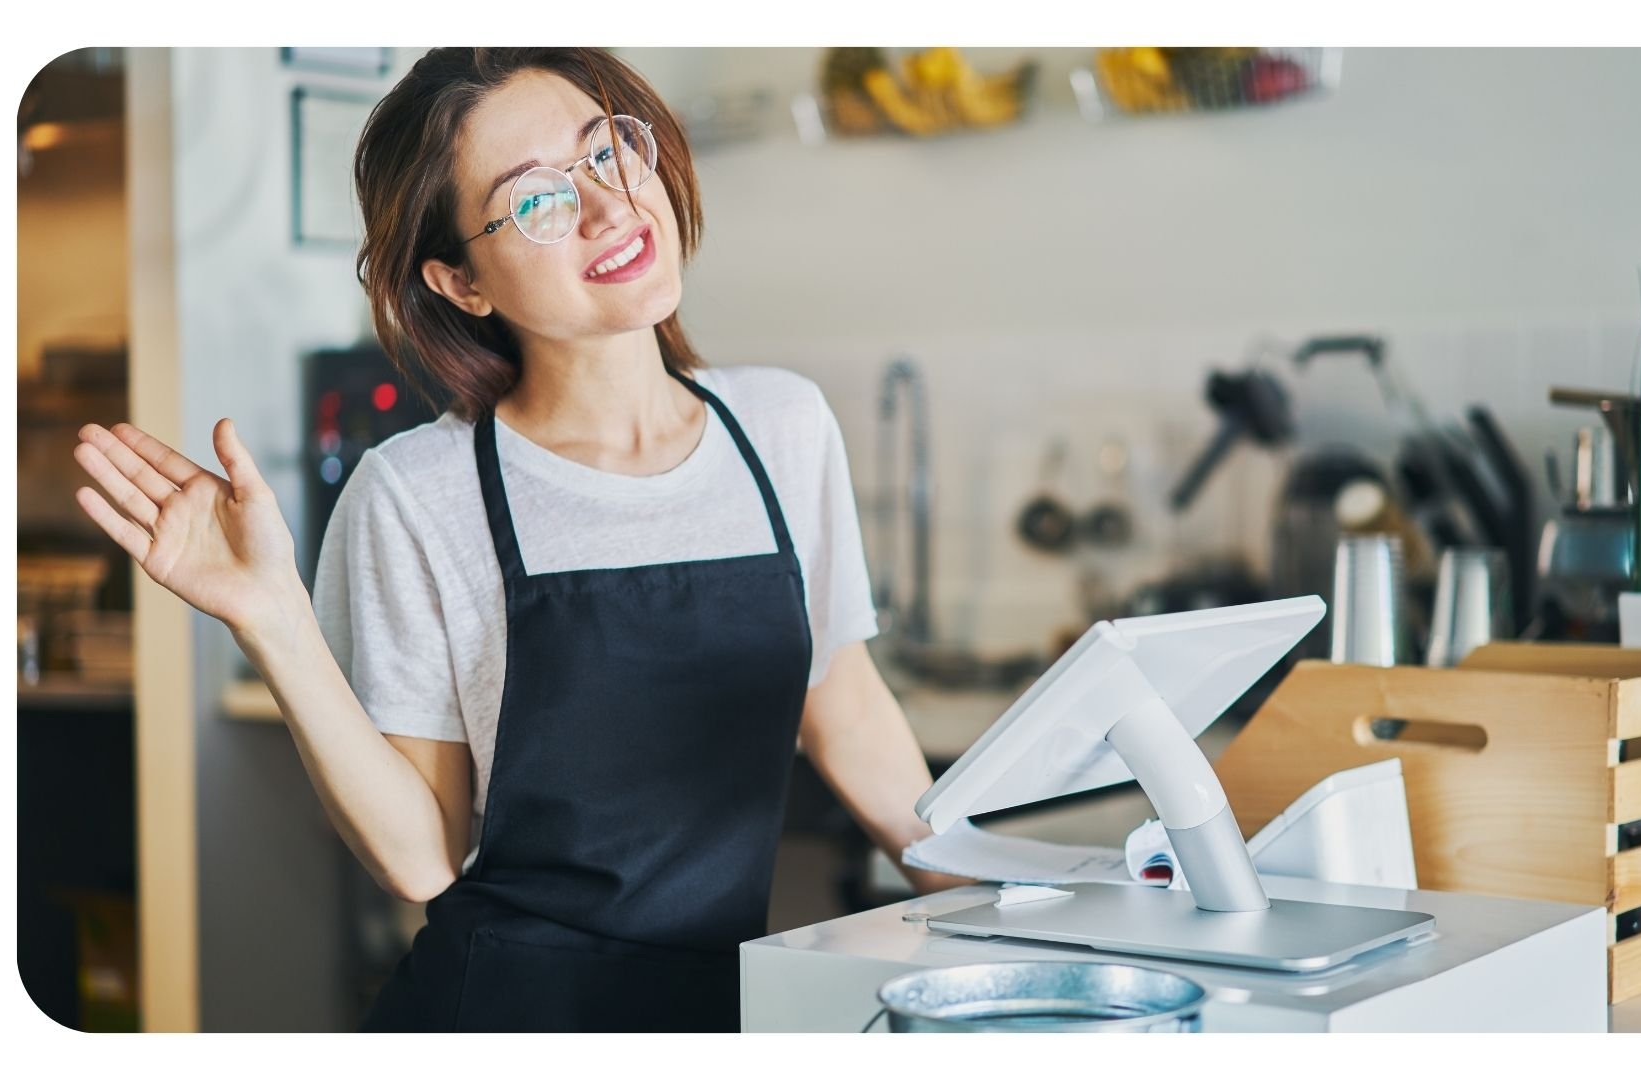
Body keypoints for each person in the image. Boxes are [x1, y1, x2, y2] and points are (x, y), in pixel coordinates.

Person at [70, 46, 972, 1033]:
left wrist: (1020, 904)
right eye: (535, 200)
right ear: (461, 282)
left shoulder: (782, 427)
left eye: (606, 150)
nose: (605, 206)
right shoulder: (418, 491)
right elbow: (422, 857)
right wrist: (271, 617)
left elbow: (844, 715)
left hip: (722, 1012)